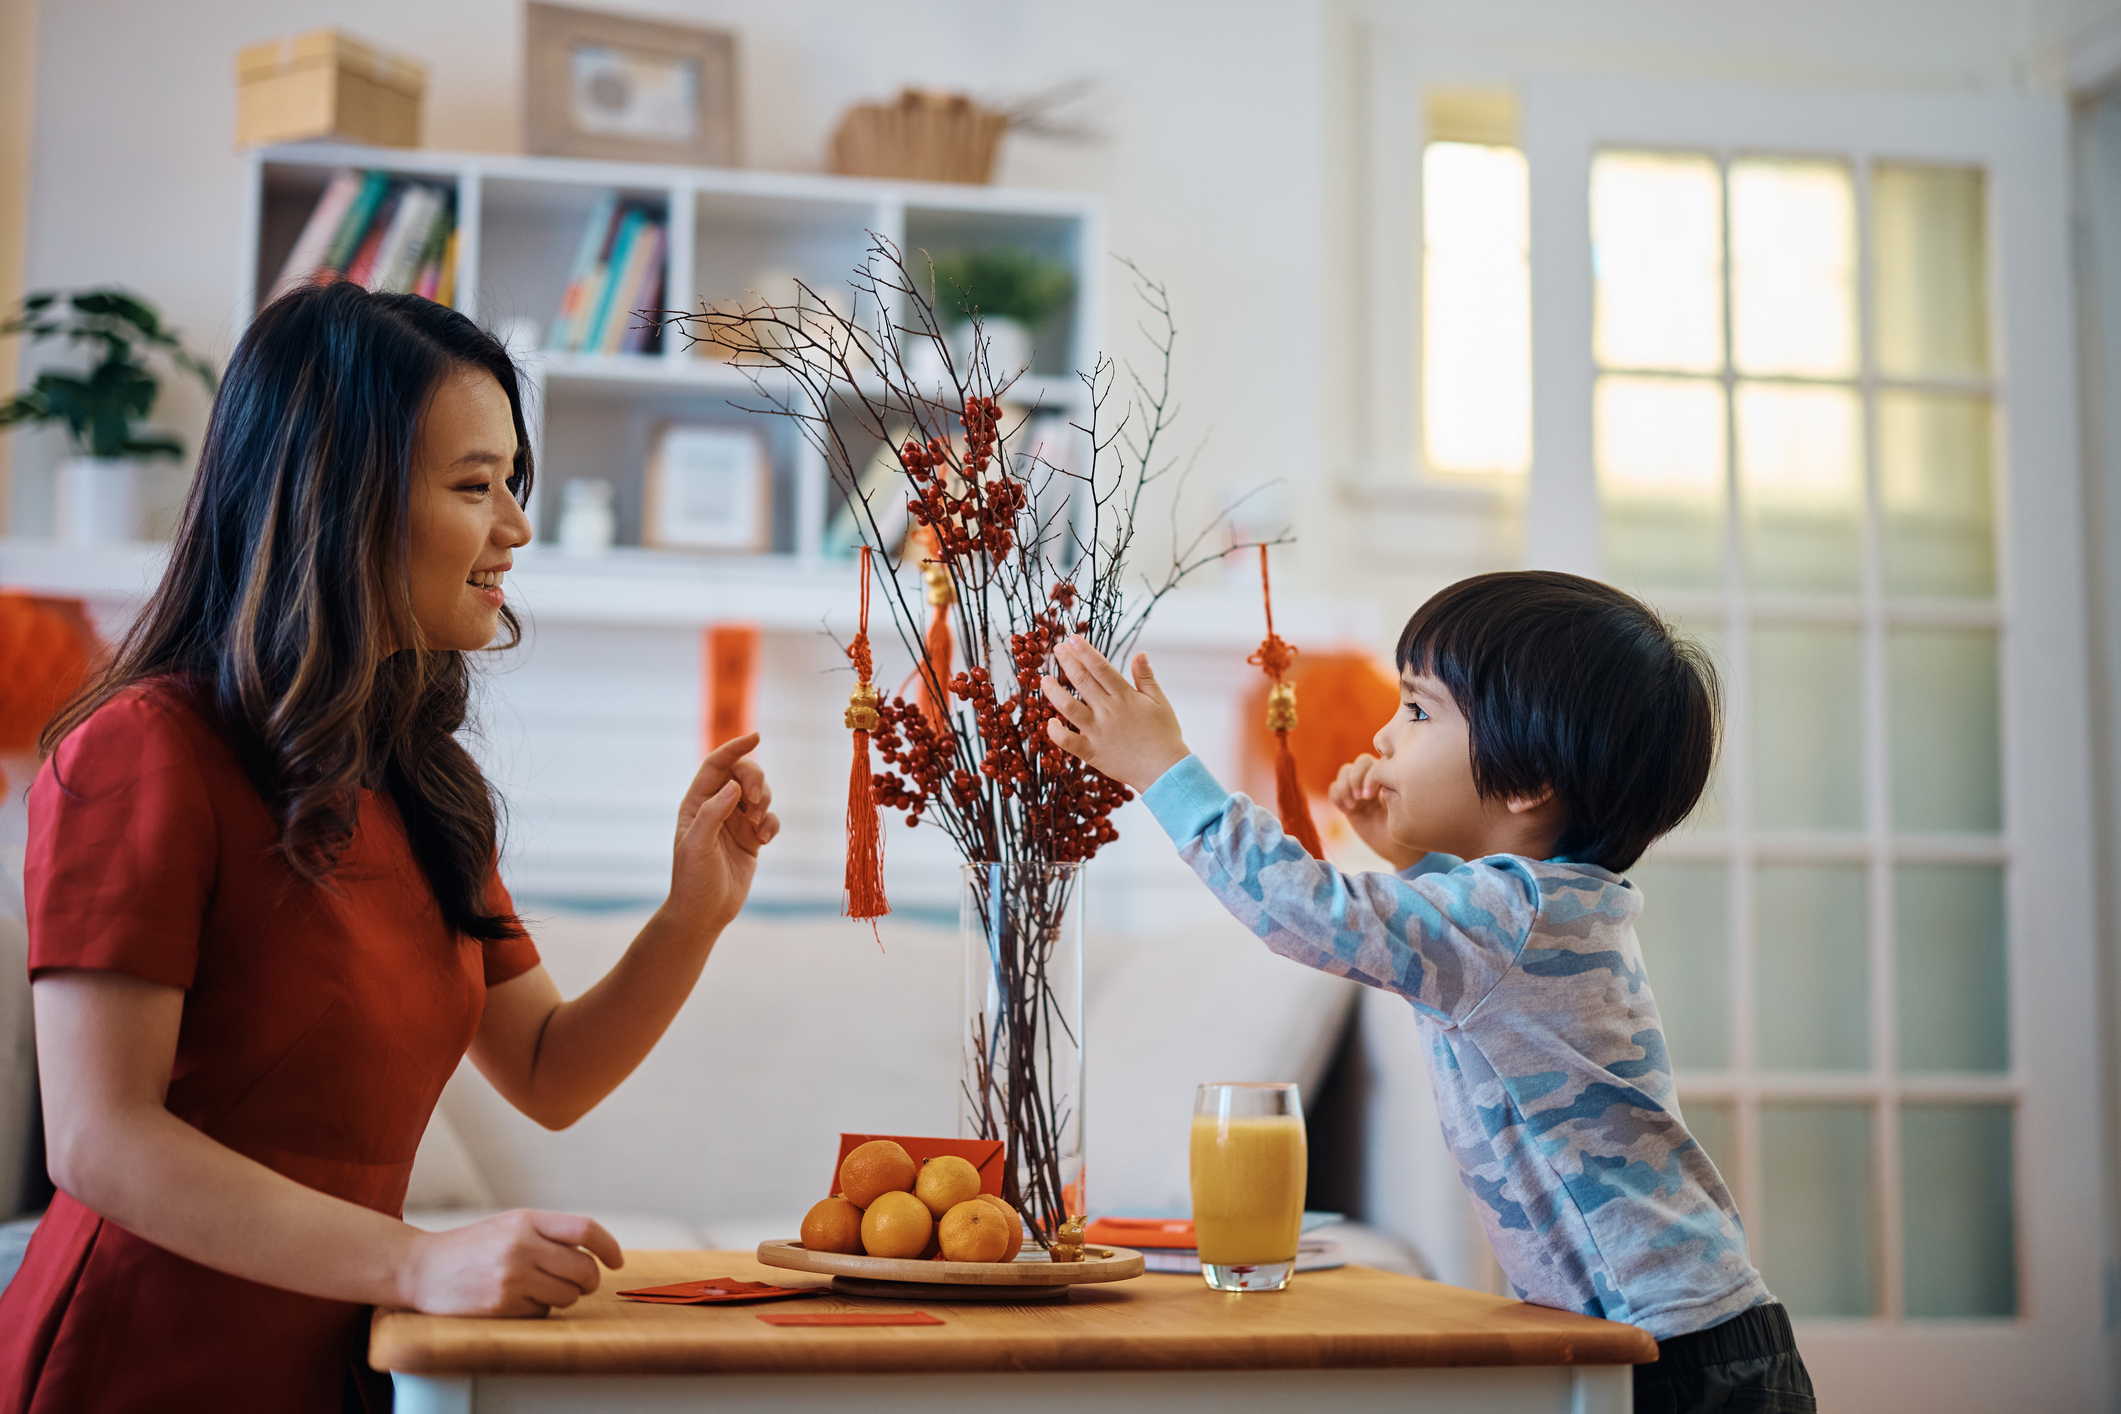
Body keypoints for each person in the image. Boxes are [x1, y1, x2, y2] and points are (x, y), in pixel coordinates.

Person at [0, 280, 781, 1412]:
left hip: (338, 1365)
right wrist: (420, 1259)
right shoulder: (142, 753)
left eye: (513, 484)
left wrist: (690, 915)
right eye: (476, 487)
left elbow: (550, 1070)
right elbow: (100, 1139)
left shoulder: (419, 785)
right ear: (339, 501)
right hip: (134, 1369)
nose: (516, 526)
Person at [1039, 570, 1815, 1414]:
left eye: (1415, 709)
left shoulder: (1501, 919)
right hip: (1693, 1328)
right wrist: (1413, 862)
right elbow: (1478, 962)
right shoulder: (1548, 907)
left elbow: (1303, 913)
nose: (1383, 731)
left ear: (1524, 784)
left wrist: (1162, 768)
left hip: (1671, 1354)